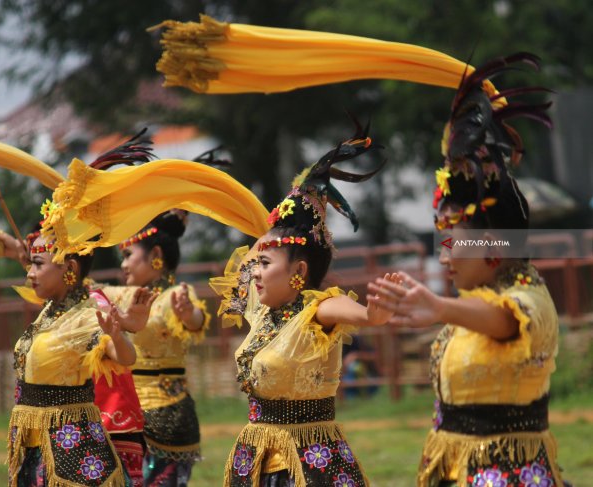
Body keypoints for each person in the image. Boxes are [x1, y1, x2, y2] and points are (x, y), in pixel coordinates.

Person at [368, 54, 566, 487]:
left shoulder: (529, 298)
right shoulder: (469, 304)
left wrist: (439, 307)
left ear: (491, 247)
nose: (443, 257)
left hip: (507, 474)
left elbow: (505, 321)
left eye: (451, 243)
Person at [210, 126, 400, 487]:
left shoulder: (317, 311)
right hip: (257, 458)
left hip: (308, 464)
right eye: (258, 263)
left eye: (266, 264)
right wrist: (294, 206)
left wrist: (373, 315)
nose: (255, 272)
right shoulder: (261, 311)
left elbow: (352, 311)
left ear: (299, 271)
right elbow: (243, 268)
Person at [0, 229, 138, 487]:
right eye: (30, 264)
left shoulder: (87, 314)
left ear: (70, 267)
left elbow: (125, 356)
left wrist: (118, 337)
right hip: (34, 448)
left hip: (72, 451)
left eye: (38, 264)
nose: (29, 273)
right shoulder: (50, 312)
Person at [95, 210, 209, 487]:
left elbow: (195, 321)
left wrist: (189, 313)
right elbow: (84, 290)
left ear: (155, 254)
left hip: (166, 414)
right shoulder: (124, 294)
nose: (123, 265)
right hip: (126, 413)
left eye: (128, 255)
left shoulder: (176, 295)